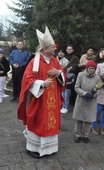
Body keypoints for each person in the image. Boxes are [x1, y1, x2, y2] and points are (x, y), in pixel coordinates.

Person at [18, 26, 66, 158]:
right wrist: (41, 84)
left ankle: (49, 148)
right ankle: (33, 147)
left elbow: (63, 74)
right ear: (45, 49)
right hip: (39, 99)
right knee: (38, 120)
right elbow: (27, 79)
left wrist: (58, 73)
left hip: (53, 99)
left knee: (51, 120)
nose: (55, 48)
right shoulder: (35, 62)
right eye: (52, 47)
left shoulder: (55, 61)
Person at [72, 60, 101, 143]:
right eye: (90, 68)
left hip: (91, 101)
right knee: (79, 119)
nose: (91, 70)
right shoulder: (80, 75)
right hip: (81, 100)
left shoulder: (97, 77)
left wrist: (94, 95)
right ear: (87, 68)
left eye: (93, 68)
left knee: (89, 120)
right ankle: (78, 135)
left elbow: (99, 89)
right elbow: (76, 87)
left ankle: (86, 135)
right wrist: (84, 93)